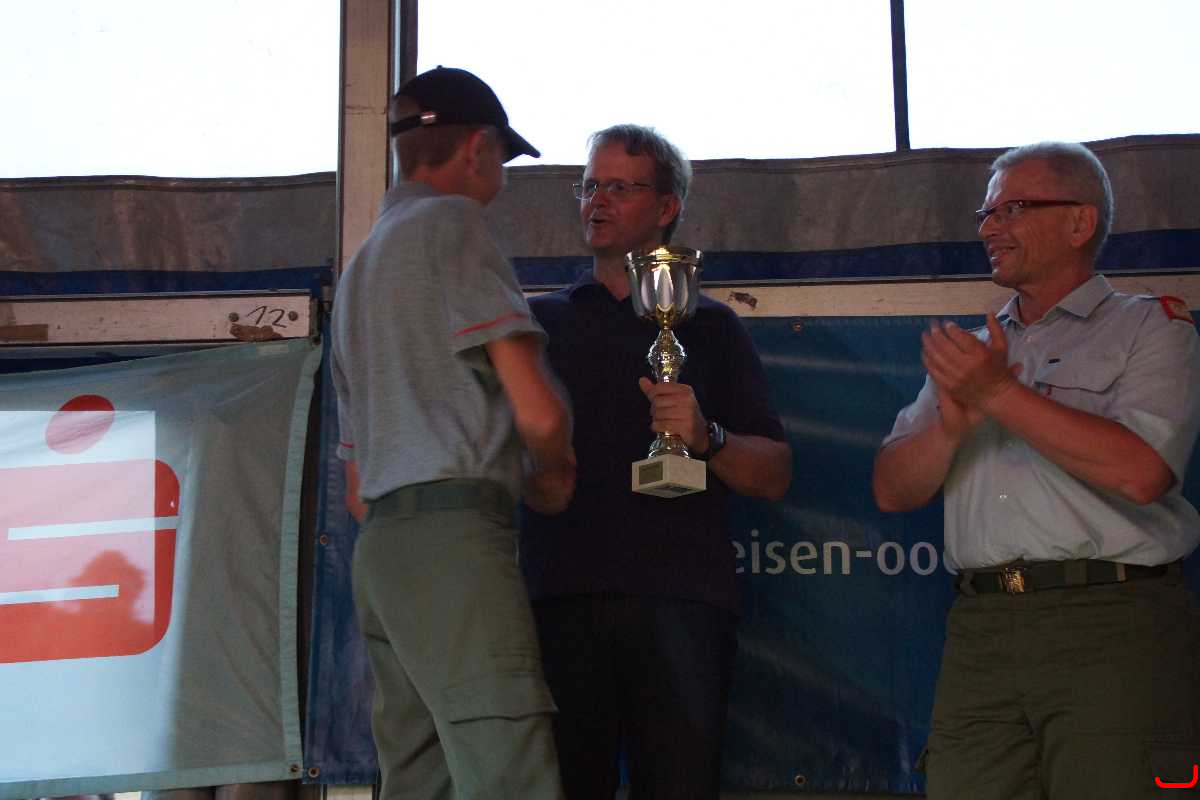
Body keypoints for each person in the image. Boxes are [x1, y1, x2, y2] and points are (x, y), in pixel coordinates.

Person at [873, 141, 1200, 799]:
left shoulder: (1152, 328)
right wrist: (953, 425)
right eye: (986, 214)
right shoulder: (974, 351)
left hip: (1112, 620)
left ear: (1080, 222)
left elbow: (1143, 473)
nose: (988, 228)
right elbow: (891, 489)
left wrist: (998, 395)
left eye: (1012, 209)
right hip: (982, 626)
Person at [519, 124, 793, 799]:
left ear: (667, 206)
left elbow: (774, 473)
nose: (597, 201)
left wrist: (708, 437)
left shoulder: (712, 326)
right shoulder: (538, 326)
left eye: (619, 186)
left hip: (681, 605)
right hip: (561, 601)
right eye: (589, 185)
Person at [330, 66, 575, 800]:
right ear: (477, 149)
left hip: (383, 555)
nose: (501, 175)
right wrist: (552, 470)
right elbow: (538, 410)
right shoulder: (454, 225)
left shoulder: (360, 271)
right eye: (503, 157)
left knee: (419, 777)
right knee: (509, 772)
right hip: (455, 542)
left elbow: (355, 490)